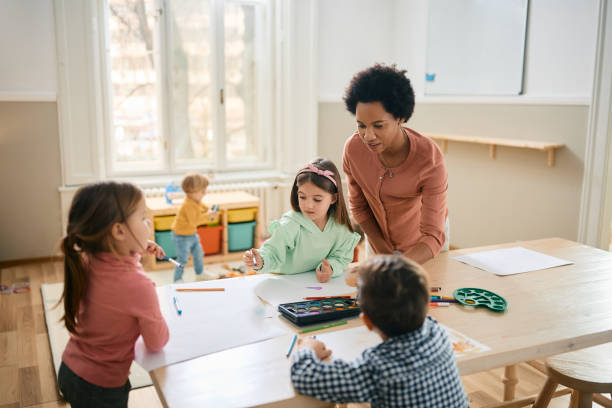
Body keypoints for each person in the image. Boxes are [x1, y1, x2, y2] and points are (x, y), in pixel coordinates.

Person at [291, 255, 469, 407]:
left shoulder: (378, 367)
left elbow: (304, 377)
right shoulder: (436, 331)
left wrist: (307, 348)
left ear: (367, 321)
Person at [57, 181, 169, 408]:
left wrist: (134, 249)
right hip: (101, 388)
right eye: (143, 217)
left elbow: (116, 269)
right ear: (118, 231)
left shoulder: (86, 259)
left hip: (69, 370)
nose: (148, 222)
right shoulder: (140, 286)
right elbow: (157, 342)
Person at [342, 63, 448, 264]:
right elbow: (359, 207)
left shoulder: (429, 159)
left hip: (423, 249)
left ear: (400, 118)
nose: (368, 136)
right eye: (361, 126)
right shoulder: (353, 150)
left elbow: (433, 234)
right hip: (379, 244)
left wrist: (397, 266)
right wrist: (385, 254)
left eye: (379, 126)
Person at [243, 158, 361, 283]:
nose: (308, 205)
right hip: (284, 281)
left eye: (317, 199)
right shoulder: (290, 224)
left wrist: (330, 268)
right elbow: (272, 252)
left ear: (333, 198)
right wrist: (260, 260)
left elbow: (340, 258)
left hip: (312, 283)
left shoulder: (340, 227)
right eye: (302, 197)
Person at [171, 172, 217, 282]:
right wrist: (207, 216)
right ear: (191, 192)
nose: (205, 193)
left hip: (191, 234)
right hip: (181, 236)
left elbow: (203, 206)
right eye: (202, 191)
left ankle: (199, 273)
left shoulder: (195, 200)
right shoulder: (188, 205)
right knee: (182, 259)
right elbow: (194, 222)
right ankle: (177, 279)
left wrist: (208, 209)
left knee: (198, 254)